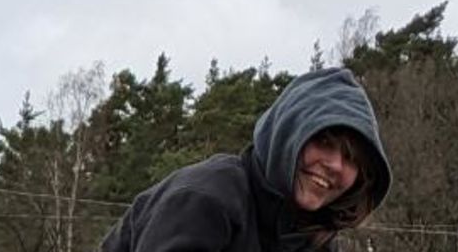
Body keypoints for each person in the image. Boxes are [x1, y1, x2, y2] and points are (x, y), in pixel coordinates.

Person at [100, 67, 391, 252]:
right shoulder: (205, 200)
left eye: (352, 159)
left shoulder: (315, 241)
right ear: (287, 134)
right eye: (323, 142)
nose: (335, 165)